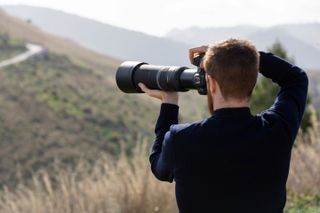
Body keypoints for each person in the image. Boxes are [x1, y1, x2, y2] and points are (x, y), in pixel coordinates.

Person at [138, 38, 308, 213]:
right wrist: (245, 58)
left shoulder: (181, 140)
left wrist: (169, 104)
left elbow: (159, 167)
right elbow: (296, 78)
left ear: (211, 83)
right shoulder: (277, 129)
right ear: (253, 81)